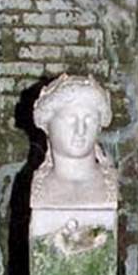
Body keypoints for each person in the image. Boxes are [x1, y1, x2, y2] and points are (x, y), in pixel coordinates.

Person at [31, 73, 118, 208]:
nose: (80, 130)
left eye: (90, 120)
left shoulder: (109, 184)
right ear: (48, 124)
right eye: (70, 119)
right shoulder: (40, 187)